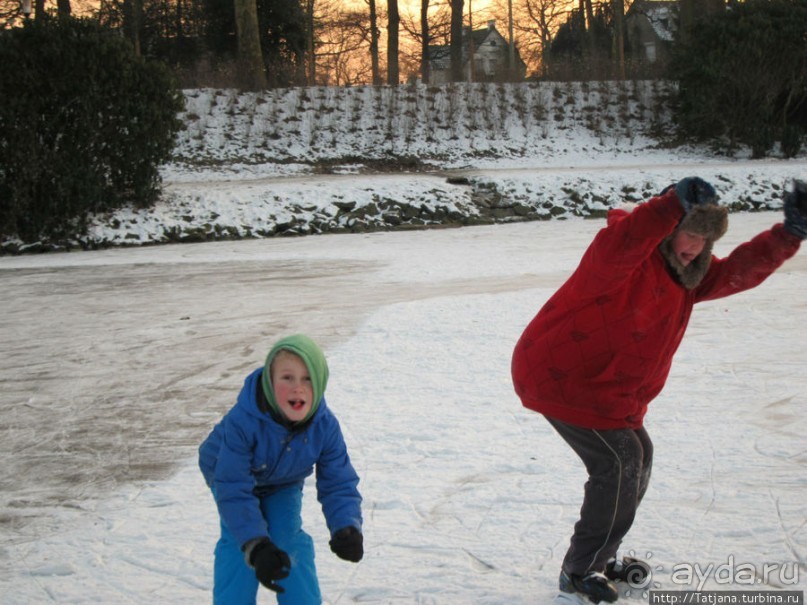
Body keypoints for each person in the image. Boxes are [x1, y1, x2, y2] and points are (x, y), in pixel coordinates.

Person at [511, 178, 806, 603]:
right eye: (690, 232)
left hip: (609, 391)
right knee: (619, 461)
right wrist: (670, 205)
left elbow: (737, 273)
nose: (694, 247)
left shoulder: (685, 275)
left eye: (704, 239)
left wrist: (789, 234)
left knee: (638, 456)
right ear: (668, 229)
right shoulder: (621, 259)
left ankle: (600, 556)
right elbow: (630, 239)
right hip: (564, 377)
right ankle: (580, 571)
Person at [199, 334, 363, 604]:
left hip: (283, 480)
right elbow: (234, 488)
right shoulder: (242, 422)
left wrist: (346, 526)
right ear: (270, 382)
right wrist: (256, 545)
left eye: (307, 378)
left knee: (287, 536)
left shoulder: (324, 426)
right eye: (287, 378)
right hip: (227, 474)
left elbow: (338, 481)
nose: (298, 388)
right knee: (238, 543)